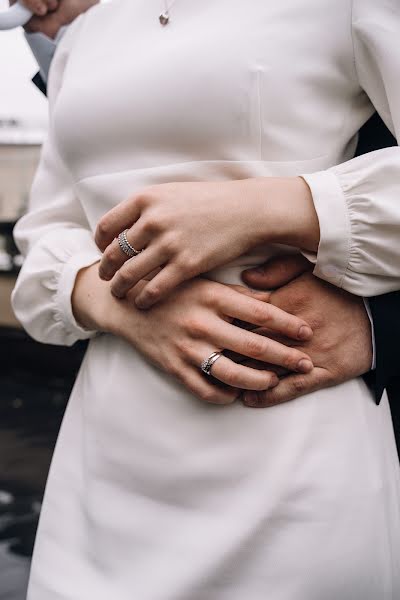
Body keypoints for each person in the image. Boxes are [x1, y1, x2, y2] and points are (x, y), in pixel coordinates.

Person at [11, 0, 400, 598]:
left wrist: (270, 208)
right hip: (101, 471)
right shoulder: (87, 30)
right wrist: (113, 301)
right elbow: (45, 235)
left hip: (288, 451)